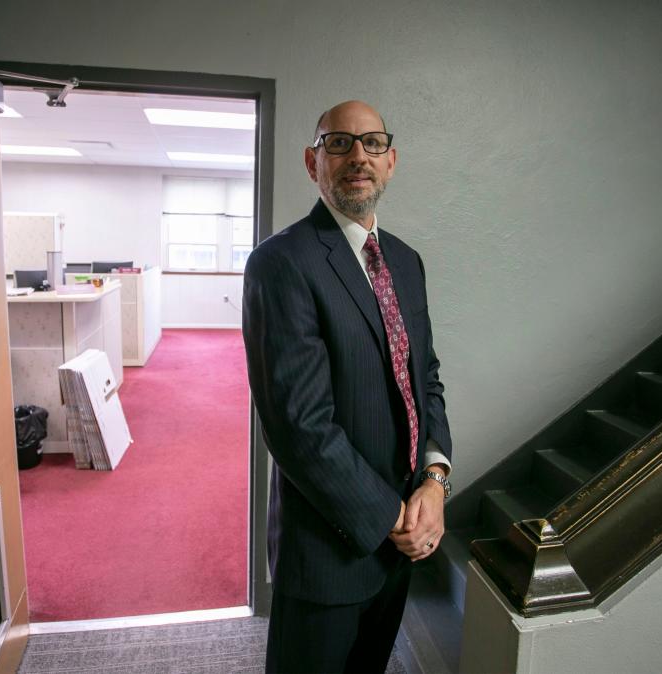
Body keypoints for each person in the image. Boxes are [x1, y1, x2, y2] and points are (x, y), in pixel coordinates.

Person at [242, 100, 453, 673]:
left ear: (391, 162)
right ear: (313, 163)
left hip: (400, 546)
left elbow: (424, 379)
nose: (358, 156)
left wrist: (434, 483)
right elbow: (299, 427)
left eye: (372, 144)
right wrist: (395, 520)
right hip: (328, 551)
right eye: (339, 143)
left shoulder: (406, 262)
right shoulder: (281, 262)